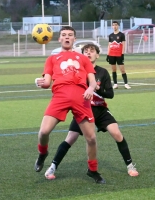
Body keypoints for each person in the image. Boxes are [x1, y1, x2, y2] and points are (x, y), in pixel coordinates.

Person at [44, 43, 139, 180]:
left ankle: (130, 166)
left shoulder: (103, 72)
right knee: (70, 139)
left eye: (92, 51)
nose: (88, 53)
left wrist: (97, 89)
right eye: (85, 51)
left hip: (100, 110)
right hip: (82, 109)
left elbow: (110, 94)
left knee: (117, 133)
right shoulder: (76, 70)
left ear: (97, 55)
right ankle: (52, 167)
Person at [34, 26, 105, 184]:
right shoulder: (52, 59)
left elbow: (93, 82)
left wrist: (90, 89)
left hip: (81, 98)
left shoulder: (84, 59)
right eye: (64, 35)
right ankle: (43, 153)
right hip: (60, 97)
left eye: (70, 35)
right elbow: (47, 82)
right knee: (43, 132)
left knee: (92, 138)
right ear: (59, 39)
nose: (67, 37)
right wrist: (40, 82)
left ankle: (92, 170)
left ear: (74, 39)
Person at [106, 21, 131, 89]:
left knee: (122, 69)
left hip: (119, 55)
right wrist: (108, 55)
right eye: (113, 25)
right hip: (112, 55)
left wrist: (122, 54)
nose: (114, 26)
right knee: (113, 70)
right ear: (112, 26)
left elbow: (123, 45)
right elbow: (109, 45)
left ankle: (126, 84)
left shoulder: (121, 35)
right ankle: (115, 84)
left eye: (116, 25)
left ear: (118, 26)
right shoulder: (111, 35)